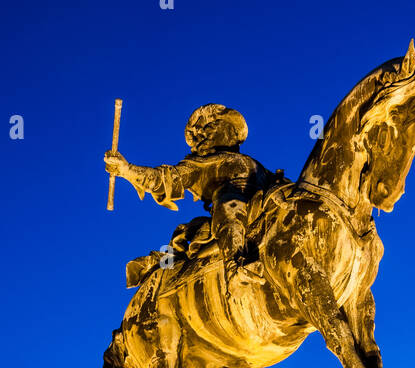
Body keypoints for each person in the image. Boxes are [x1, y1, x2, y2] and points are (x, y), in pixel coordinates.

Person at [104, 104, 284, 288]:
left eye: (212, 126)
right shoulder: (200, 163)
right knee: (229, 204)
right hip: (230, 210)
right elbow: (166, 178)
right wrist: (127, 170)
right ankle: (235, 264)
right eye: (206, 130)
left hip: (261, 205)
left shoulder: (255, 164)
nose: (205, 134)